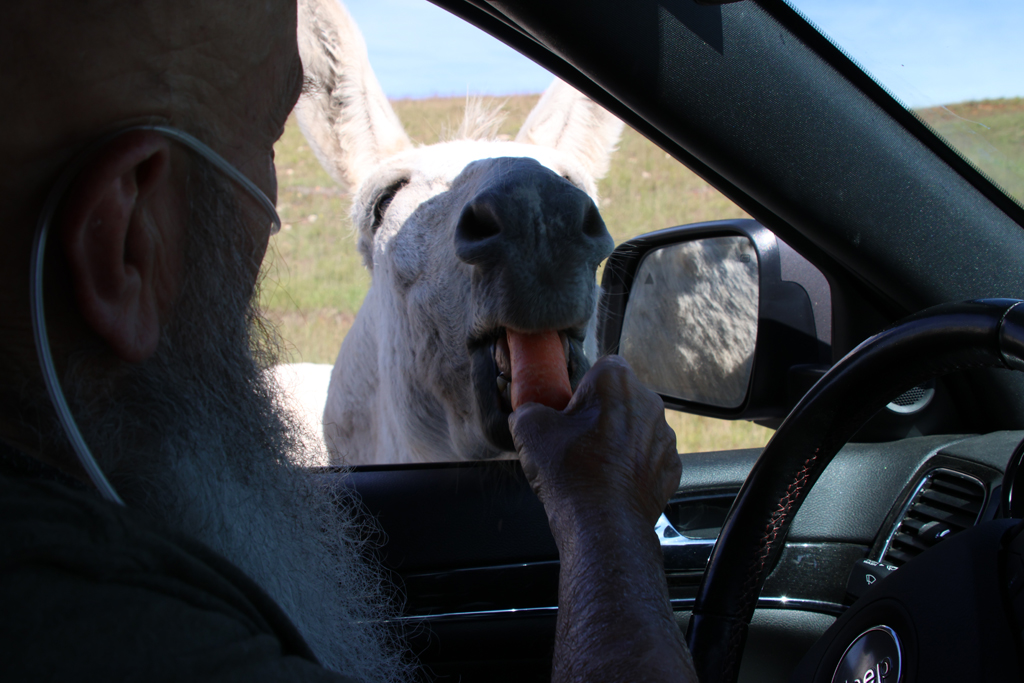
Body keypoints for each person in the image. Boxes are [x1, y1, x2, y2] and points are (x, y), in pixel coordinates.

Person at [0, 1, 697, 681]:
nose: (270, 208)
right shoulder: (148, 642)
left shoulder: (101, 576)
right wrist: (607, 517)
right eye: (269, 141)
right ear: (124, 243)